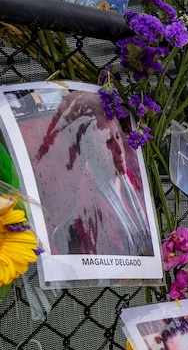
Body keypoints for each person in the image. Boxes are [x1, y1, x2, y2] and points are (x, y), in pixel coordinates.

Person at [33, 90, 153, 256]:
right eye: (107, 142)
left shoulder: (128, 178)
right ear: (87, 149)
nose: (119, 149)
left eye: (117, 136)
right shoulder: (87, 208)